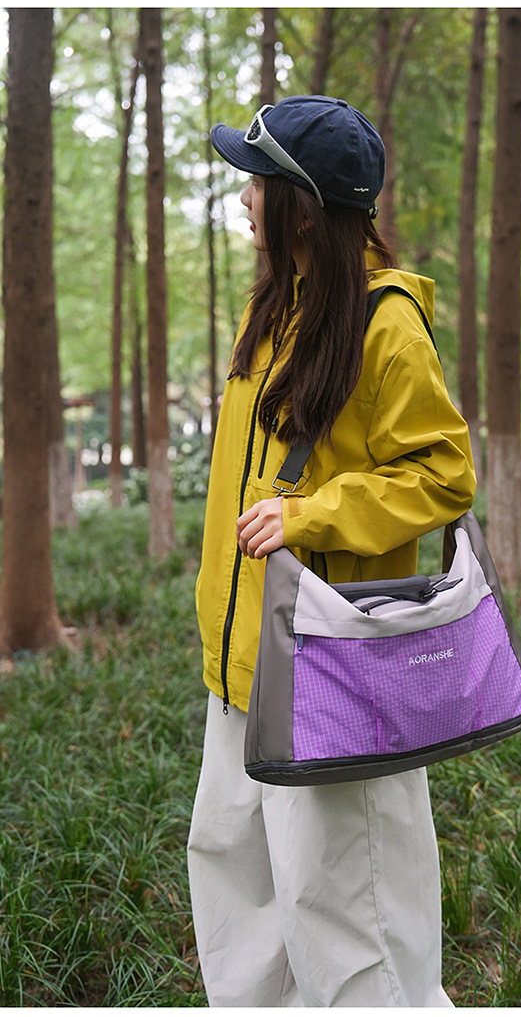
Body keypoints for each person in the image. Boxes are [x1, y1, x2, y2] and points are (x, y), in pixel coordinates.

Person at [187, 94, 476, 1008]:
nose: (244, 198)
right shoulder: (272, 308)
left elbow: (443, 474)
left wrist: (315, 513)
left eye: (256, 182)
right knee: (240, 887)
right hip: (243, 660)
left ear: (302, 209)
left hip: (331, 664)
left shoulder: (386, 325)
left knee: (352, 909)